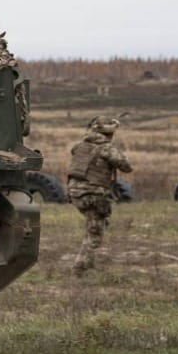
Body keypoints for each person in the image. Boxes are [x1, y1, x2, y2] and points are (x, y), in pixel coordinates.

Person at [67, 116, 133, 275]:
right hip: (93, 194)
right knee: (95, 234)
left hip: (75, 193)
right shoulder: (107, 148)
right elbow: (126, 166)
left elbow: (75, 153)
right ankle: (79, 268)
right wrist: (114, 149)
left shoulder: (80, 145)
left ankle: (88, 262)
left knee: (96, 224)